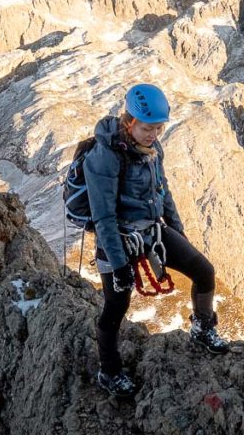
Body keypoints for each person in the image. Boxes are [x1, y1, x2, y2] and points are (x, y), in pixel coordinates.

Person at [84, 83, 229, 398]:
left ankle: (203, 327)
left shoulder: (154, 149)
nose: (155, 134)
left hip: (152, 230)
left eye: (160, 128)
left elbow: (162, 191)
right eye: (149, 128)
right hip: (117, 238)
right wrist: (121, 266)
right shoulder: (104, 157)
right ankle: (108, 371)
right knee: (115, 305)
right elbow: (104, 218)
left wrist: (177, 230)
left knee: (204, 271)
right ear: (130, 121)